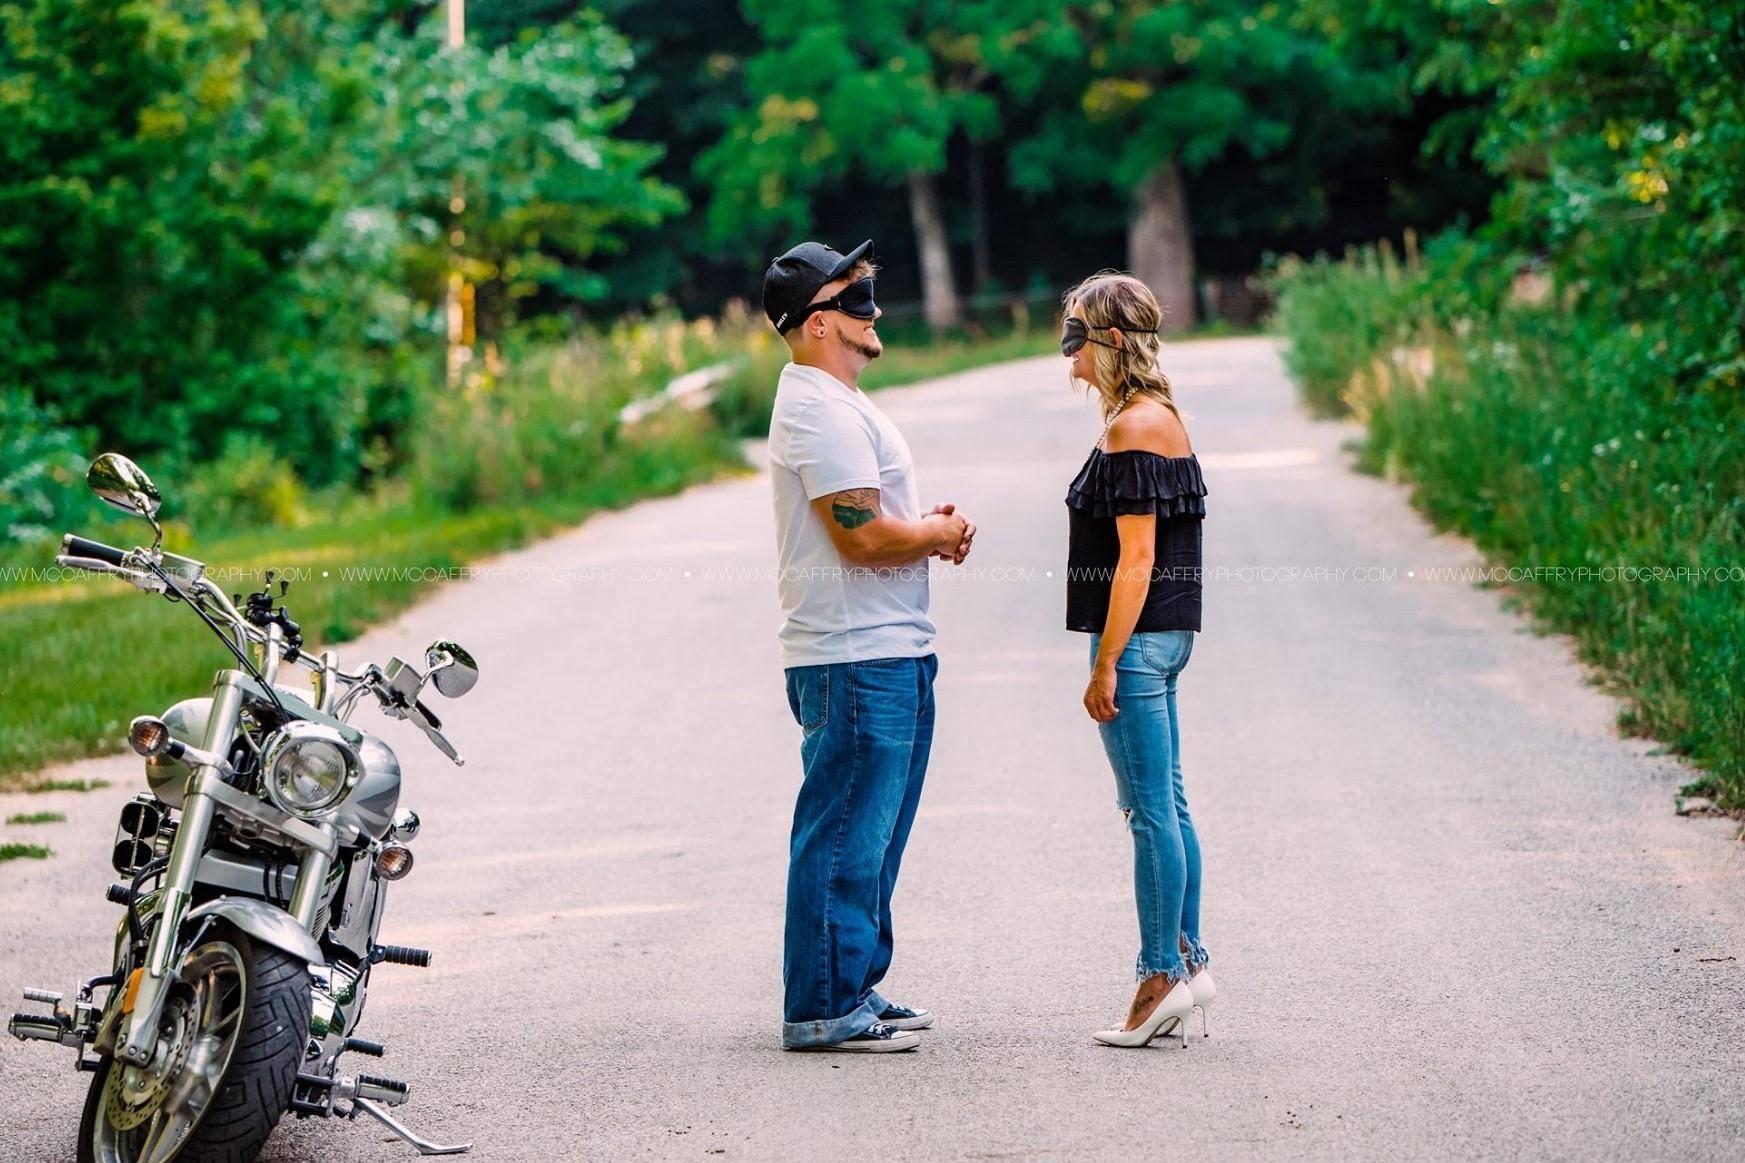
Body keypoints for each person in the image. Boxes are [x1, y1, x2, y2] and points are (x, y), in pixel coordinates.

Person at [762, 239, 976, 1052]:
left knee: (874, 831)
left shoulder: (838, 401)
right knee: (848, 829)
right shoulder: (817, 407)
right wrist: (933, 532)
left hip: (885, 648)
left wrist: (926, 533)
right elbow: (859, 535)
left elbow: (878, 525)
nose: (873, 309)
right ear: (818, 323)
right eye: (856, 299)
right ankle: (820, 1003)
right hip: (854, 655)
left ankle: (852, 983)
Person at [1059, 271, 1215, 1047]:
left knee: (1148, 812)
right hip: (1167, 636)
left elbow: (1136, 558)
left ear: (1112, 341)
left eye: (1075, 338)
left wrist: (1103, 663)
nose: (1068, 358)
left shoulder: (1131, 428)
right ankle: (1188, 960)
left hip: (1138, 640)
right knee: (1169, 804)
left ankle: (1158, 978)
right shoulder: (1158, 415)